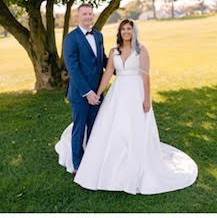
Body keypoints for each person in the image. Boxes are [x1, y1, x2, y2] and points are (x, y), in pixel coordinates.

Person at [55, 19, 198, 195]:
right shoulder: (114, 51)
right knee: (113, 128)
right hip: (118, 93)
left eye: (129, 29)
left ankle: (135, 164)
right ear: (119, 32)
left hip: (136, 93)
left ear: (133, 31)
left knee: (134, 128)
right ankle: (107, 164)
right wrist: (98, 93)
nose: (126, 32)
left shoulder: (142, 50)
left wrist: (147, 100)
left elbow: (146, 76)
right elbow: (107, 73)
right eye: (123, 29)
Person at [57, 3, 107, 176]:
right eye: (84, 14)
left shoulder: (99, 35)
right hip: (80, 94)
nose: (88, 17)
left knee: (95, 127)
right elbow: (73, 69)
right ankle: (77, 163)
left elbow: (103, 60)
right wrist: (88, 92)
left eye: (90, 14)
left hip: (99, 92)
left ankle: (92, 158)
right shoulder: (71, 38)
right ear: (78, 16)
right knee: (79, 128)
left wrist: (122, 68)